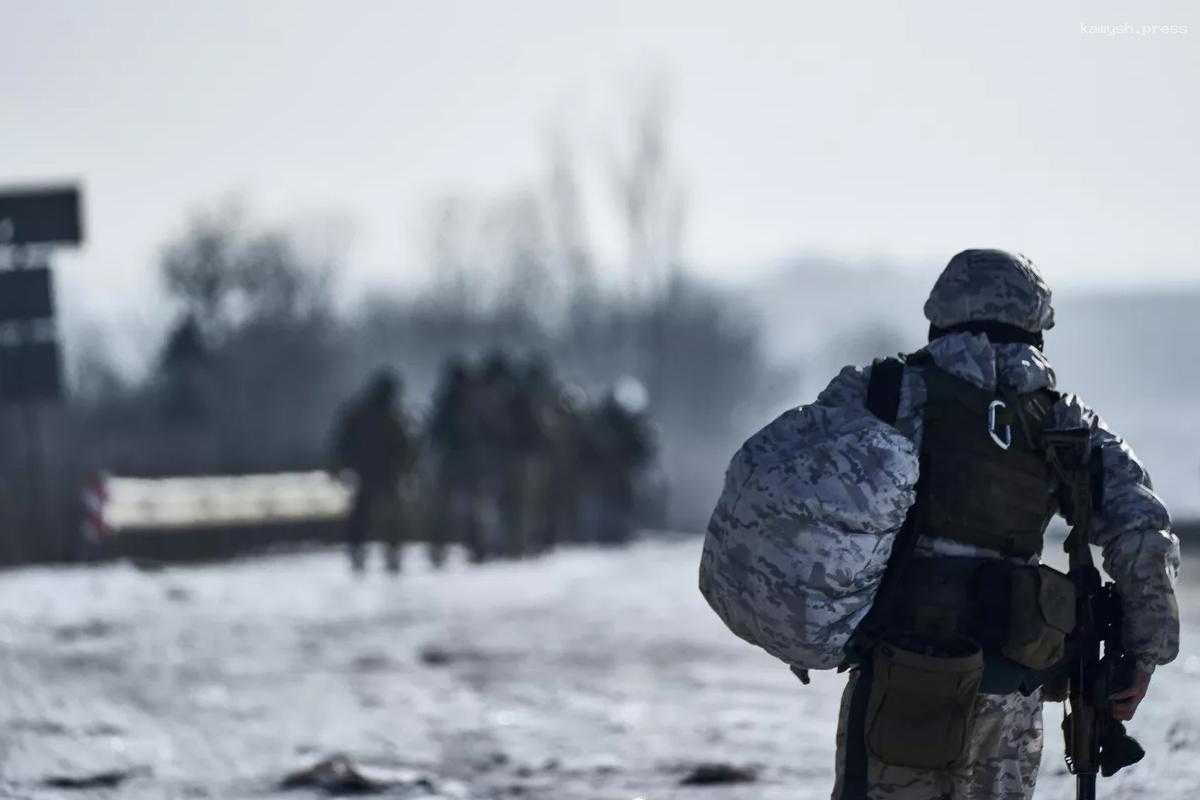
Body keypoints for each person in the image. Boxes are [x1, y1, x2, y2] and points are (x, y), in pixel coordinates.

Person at [700, 249, 1179, 800]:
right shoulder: (1067, 423)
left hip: (901, 684)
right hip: (1012, 698)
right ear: (1034, 325)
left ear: (941, 316)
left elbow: (792, 477)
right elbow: (1143, 530)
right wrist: (1144, 655)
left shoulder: (888, 392)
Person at [332, 369, 416, 573]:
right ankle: (380, 553)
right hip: (376, 472)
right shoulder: (385, 416)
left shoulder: (372, 414)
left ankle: (377, 553)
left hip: (378, 472)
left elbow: (404, 446)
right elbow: (404, 445)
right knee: (375, 515)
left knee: (373, 515)